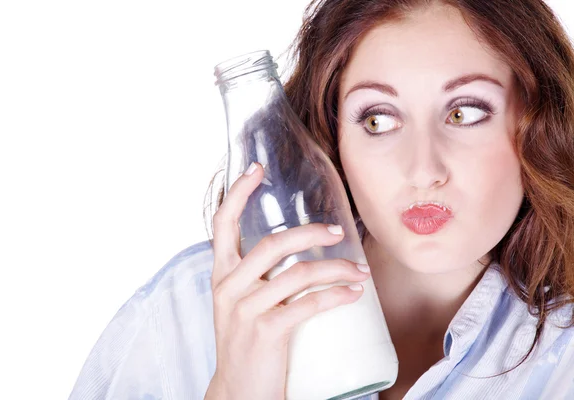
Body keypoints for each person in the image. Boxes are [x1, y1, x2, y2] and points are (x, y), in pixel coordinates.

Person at [69, 0, 574, 399]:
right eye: (378, 119)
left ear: (536, 125)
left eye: (464, 113)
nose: (423, 170)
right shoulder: (184, 311)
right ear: (331, 140)